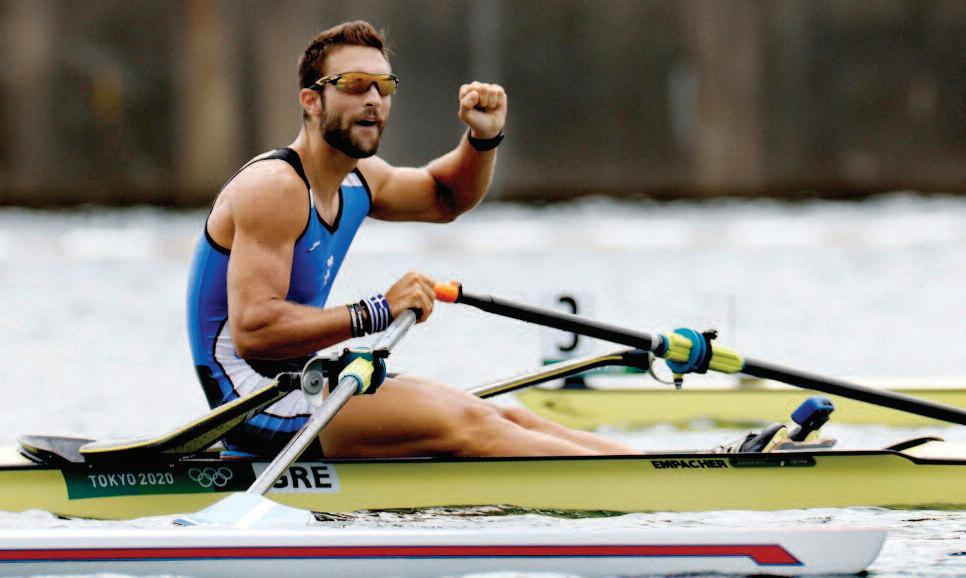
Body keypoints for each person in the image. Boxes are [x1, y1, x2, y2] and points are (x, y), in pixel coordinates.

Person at [186, 20, 634, 459]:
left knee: (504, 416)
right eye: (355, 84)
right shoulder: (274, 188)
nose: (373, 99)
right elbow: (255, 331)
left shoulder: (358, 179)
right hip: (251, 403)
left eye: (383, 87)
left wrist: (482, 138)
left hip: (304, 379)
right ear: (312, 101)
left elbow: (445, 197)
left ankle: (652, 472)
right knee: (470, 426)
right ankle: (632, 487)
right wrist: (377, 311)